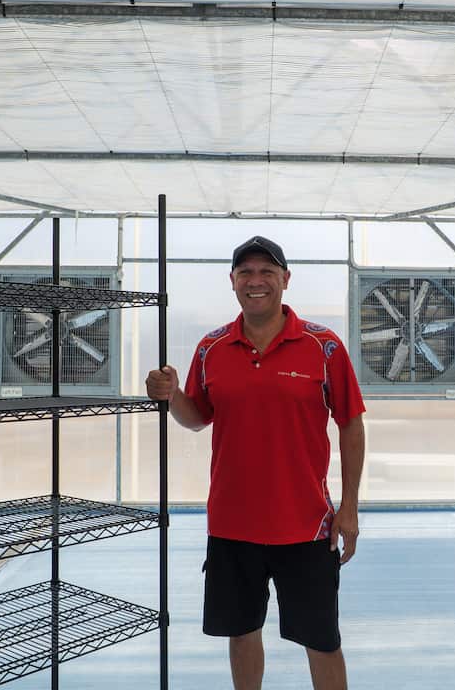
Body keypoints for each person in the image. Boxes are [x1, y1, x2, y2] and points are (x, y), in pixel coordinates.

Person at [145, 235, 366, 690]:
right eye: (245, 272)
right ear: (232, 282)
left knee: (322, 640)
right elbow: (196, 418)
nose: (256, 281)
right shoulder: (211, 348)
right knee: (242, 632)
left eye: (267, 271)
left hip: (306, 526)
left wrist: (350, 507)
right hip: (231, 525)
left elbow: (351, 424)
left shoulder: (324, 347)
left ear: (285, 280)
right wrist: (171, 397)